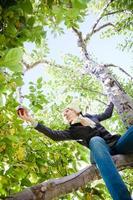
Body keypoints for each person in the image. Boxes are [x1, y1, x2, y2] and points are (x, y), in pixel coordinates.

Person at [18, 102, 133, 200]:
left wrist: (112, 98)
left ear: (76, 110)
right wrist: (30, 120)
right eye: (64, 114)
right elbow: (54, 135)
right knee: (96, 140)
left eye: (67, 111)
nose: (65, 114)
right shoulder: (72, 131)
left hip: (117, 144)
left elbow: (107, 113)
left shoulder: (91, 117)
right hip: (98, 151)